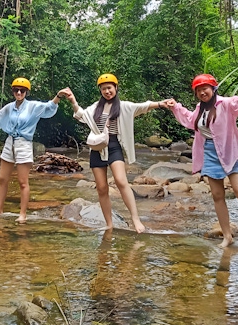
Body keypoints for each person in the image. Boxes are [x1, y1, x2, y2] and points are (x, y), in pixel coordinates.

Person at [164, 74, 238, 252]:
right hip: (210, 154)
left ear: (213, 89)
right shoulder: (199, 109)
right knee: (217, 196)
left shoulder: (224, 104)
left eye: (205, 88)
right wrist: (176, 107)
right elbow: (190, 120)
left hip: (229, 150)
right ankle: (227, 236)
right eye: (198, 90)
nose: (202, 92)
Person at [64, 74, 168, 233]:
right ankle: (109, 224)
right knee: (102, 188)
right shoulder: (95, 107)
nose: (107, 91)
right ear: (100, 90)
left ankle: (135, 219)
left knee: (121, 181)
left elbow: (143, 106)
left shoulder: (124, 106)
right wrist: (73, 100)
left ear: (116, 88)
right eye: (104, 89)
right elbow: (82, 115)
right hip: (97, 148)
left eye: (109, 88)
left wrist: (161, 103)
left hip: (114, 146)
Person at [0, 77, 67, 223]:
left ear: (27, 92)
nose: (19, 92)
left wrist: (58, 96)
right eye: (16, 90)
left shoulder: (33, 106)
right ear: (13, 91)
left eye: (22, 90)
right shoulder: (9, 108)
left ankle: (23, 214)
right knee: (2, 178)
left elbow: (49, 108)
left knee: (22, 181)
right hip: (10, 142)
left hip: (24, 143)